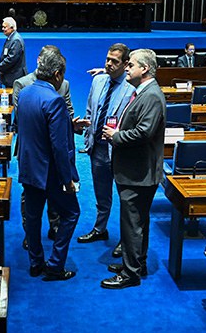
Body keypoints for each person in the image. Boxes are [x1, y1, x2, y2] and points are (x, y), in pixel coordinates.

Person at [100, 48, 166, 289]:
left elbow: (144, 132)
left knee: (133, 224)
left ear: (144, 69)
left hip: (138, 173)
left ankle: (130, 274)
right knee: (137, 223)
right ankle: (137, 263)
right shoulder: (144, 92)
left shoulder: (150, 95)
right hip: (135, 170)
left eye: (131, 65)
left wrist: (117, 136)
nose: (126, 68)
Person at [17, 46, 80, 281]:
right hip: (50, 172)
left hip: (28, 167)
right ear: (57, 75)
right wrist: (68, 180)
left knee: (32, 218)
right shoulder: (54, 100)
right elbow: (59, 146)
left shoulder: (24, 93)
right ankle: (54, 265)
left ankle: (35, 262)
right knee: (72, 213)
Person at [75, 43, 135, 247]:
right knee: (101, 193)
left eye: (114, 61)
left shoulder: (132, 86)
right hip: (98, 148)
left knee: (126, 199)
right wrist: (87, 137)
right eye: (107, 59)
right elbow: (91, 109)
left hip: (120, 150)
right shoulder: (99, 80)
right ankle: (100, 229)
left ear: (126, 64)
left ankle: (126, 239)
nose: (108, 64)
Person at [0, 17, 27, 88]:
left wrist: (0, 66)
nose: (3, 29)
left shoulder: (16, 40)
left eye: (5, 27)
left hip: (15, 77)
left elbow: (11, 58)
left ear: (12, 28)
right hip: (11, 76)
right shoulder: (11, 38)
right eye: (2, 27)